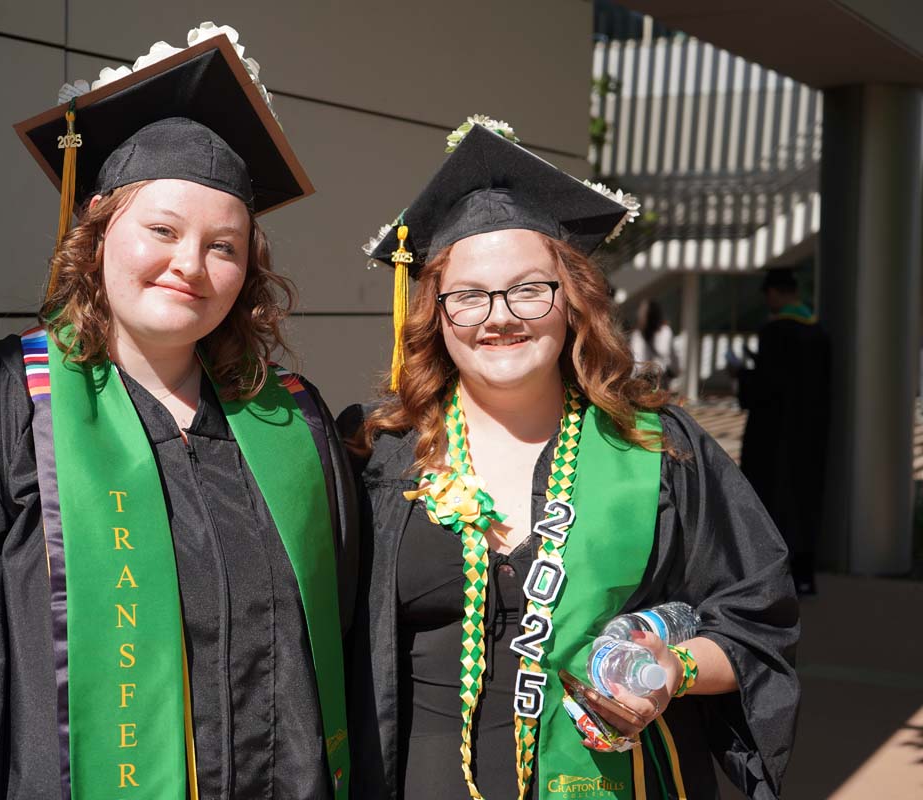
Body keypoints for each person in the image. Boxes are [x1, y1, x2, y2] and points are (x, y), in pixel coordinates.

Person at [0, 25, 355, 800]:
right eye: (161, 230)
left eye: (224, 246)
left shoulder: (291, 422)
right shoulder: (2, 400)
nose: (190, 265)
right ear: (97, 229)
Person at [343, 118, 798, 799]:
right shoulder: (377, 453)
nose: (499, 317)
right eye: (467, 296)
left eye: (530, 289)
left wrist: (671, 668)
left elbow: (756, 621)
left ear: (573, 302)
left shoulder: (657, 448)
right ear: (434, 313)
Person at [737, 268, 830, 595]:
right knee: (804, 500)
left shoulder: (775, 332)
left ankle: (772, 579)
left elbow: (765, 388)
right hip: (810, 433)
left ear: (775, 293)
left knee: (772, 500)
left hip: (773, 435)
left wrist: (743, 375)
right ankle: (806, 574)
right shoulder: (817, 330)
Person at [629, 298, 679, 390]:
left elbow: (635, 362)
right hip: (661, 380)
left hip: (642, 381)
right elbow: (673, 359)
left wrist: (631, 380)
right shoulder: (666, 331)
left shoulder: (637, 335)